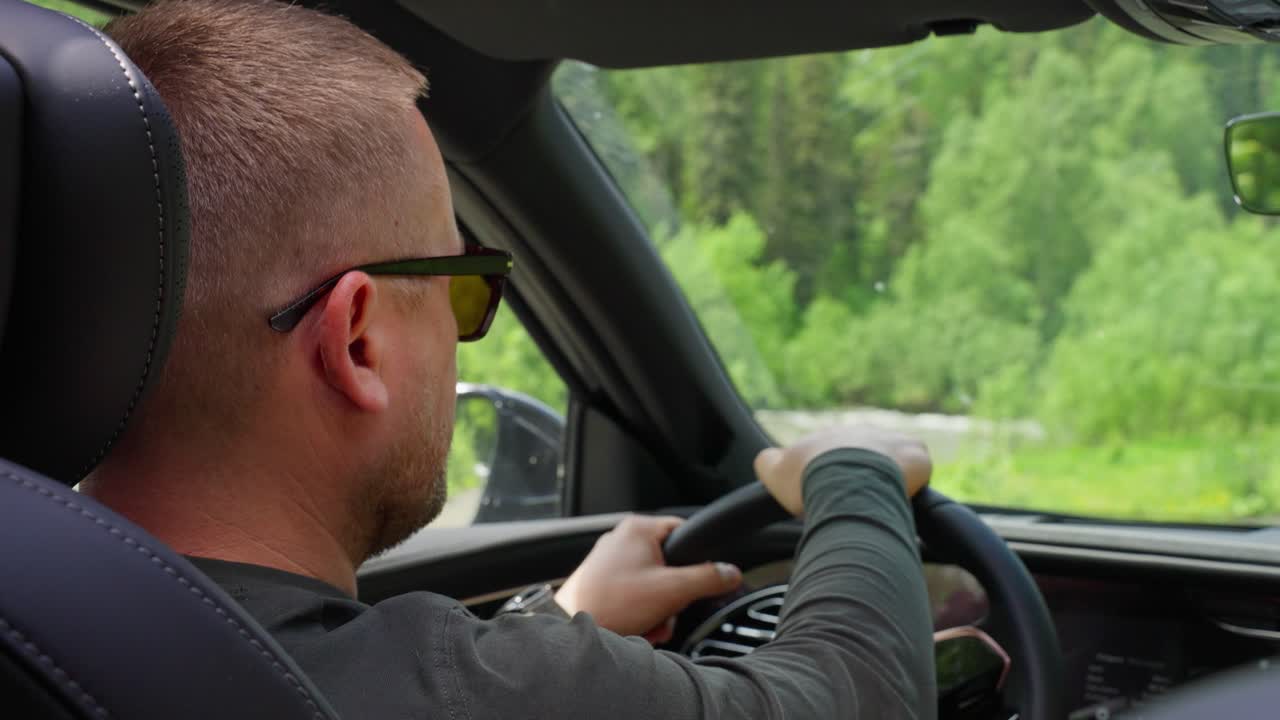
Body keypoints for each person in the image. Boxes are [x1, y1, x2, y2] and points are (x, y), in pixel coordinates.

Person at [81, 1, 938, 717]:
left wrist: (561, 621)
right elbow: (853, 695)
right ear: (357, 340)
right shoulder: (469, 694)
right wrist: (853, 476)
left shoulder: (40, 617)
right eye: (461, 286)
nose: (460, 334)